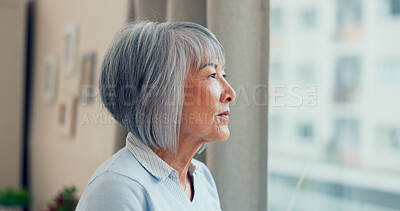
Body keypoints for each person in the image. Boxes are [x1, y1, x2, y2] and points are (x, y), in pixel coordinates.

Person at [76, 21, 236, 211]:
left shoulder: (203, 178)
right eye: (211, 75)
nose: (230, 93)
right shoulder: (117, 187)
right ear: (159, 94)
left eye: (223, 75)